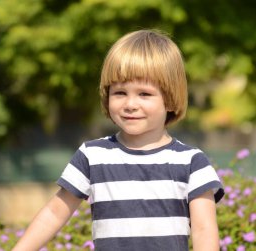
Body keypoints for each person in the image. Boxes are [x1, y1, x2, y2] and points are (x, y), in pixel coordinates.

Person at [12, 29, 224, 251]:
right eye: (120, 93)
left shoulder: (192, 163)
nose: (130, 104)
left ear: (170, 100)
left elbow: (204, 230)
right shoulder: (92, 156)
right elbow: (54, 213)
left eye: (144, 94)